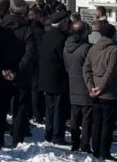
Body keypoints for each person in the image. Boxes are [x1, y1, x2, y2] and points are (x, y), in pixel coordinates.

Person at [0, 0, 37, 150]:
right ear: (24, 12)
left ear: (10, 9)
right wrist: (16, 71)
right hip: (21, 76)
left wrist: (2, 70)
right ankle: (17, 140)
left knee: (0, 107)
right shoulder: (28, 29)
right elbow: (30, 54)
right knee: (20, 108)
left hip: (3, 74)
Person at [84, 22, 117, 161]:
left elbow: (86, 69)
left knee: (96, 122)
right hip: (108, 92)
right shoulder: (114, 50)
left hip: (94, 92)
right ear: (113, 35)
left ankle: (96, 150)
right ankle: (104, 151)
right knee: (107, 124)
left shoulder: (93, 49)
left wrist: (91, 86)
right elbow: (111, 72)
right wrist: (101, 88)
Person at [38, 12, 71, 144]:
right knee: (59, 109)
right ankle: (57, 136)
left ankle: (49, 132)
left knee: (50, 108)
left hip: (46, 77)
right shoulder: (62, 38)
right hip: (59, 78)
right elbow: (64, 59)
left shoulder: (46, 35)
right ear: (62, 23)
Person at [64, 20, 92, 152]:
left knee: (74, 116)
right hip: (85, 85)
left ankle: (75, 142)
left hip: (72, 84)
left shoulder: (66, 47)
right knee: (86, 118)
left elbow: (67, 67)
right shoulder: (86, 48)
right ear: (84, 32)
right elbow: (90, 68)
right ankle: (85, 144)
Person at [27, 7, 47, 125]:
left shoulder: (26, 28)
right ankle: (37, 114)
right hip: (36, 63)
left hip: (26, 62)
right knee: (36, 91)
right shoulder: (40, 32)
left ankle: (29, 112)